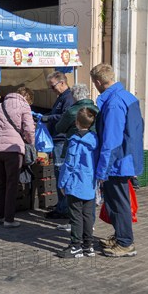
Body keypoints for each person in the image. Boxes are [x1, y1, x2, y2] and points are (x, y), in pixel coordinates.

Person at [90, 64, 143, 257]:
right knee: (118, 202)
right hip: (127, 157)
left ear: (98, 82)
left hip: (118, 161)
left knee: (118, 203)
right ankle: (121, 235)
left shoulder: (113, 103)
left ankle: (125, 242)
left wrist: (102, 170)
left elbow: (111, 141)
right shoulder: (128, 96)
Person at [53, 83, 100, 231]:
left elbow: (59, 128)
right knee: (89, 186)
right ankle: (89, 224)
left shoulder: (73, 111)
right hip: (94, 149)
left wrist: (62, 183)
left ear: (74, 96)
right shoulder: (97, 110)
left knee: (73, 184)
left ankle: (74, 222)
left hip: (74, 147)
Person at [0, 87, 36, 228]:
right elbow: (29, 128)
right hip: (13, 149)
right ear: (27, 97)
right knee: (11, 184)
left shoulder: (0, 105)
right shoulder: (24, 106)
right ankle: (9, 219)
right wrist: (31, 142)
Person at [57, 108, 98, 258]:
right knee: (88, 216)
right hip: (89, 183)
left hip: (75, 184)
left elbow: (69, 165)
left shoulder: (75, 141)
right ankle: (88, 245)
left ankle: (76, 246)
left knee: (76, 216)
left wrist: (62, 183)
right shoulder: (94, 139)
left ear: (76, 122)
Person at [40, 71, 74, 219]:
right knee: (58, 174)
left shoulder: (68, 98)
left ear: (62, 83)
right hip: (57, 139)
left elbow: (67, 116)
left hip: (62, 140)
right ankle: (61, 205)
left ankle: (64, 209)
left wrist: (48, 118)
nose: (52, 90)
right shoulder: (61, 97)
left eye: (52, 87)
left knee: (61, 175)